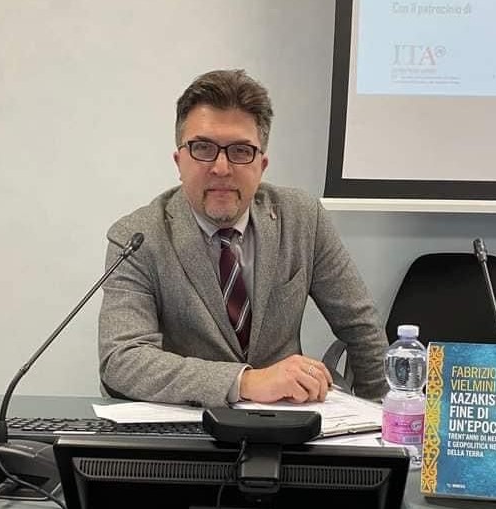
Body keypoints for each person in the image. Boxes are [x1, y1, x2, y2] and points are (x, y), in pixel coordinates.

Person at [98, 69, 388, 408]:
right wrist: (245, 381)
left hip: (286, 425)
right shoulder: (138, 237)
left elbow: (362, 329)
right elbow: (122, 359)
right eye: (203, 148)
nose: (221, 168)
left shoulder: (302, 218)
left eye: (240, 151)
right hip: (189, 427)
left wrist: (386, 420)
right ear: (179, 161)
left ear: (261, 165)